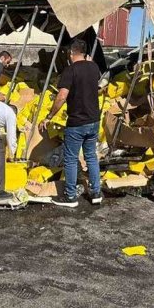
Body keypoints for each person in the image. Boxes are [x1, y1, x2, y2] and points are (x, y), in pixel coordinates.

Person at [40, 38, 102, 208]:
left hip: (77, 122)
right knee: (91, 156)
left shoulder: (70, 70)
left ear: (70, 52)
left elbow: (61, 96)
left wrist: (50, 116)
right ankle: (96, 192)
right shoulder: (94, 67)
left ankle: (70, 197)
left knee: (71, 159)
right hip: (94, 120)